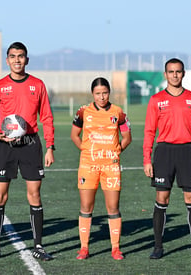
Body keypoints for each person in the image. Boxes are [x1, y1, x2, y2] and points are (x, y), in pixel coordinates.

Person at [0, 42, 55, 261]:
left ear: (27, 60)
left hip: (31, 144)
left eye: (21, 56)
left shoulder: (38, 84)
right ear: (7, 60)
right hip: (6, 145)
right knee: (0, 195)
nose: (17, 60)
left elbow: (47, 118)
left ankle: (39, 246)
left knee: (34, 194)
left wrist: (50, 146)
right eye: (13, 56)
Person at [143, 58, 191, 259]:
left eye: (178, 71)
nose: (174, 75)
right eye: (171, 71)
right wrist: (147, 158)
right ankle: (158, 247)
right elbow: (149, 131)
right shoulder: (156, 100)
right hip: (164, 152)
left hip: (186, 152)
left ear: (183, 73)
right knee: (161, 198)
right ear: (165, 74)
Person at [70, 77, 132, 260]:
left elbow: (127, 136)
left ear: (109, 92)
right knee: (86, 206)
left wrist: (118, 150)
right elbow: (74, 135)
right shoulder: (83, 111)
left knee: (113, 207)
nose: (102, 97)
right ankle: (84, 248)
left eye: (105, 93)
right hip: (88, 165)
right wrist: (86, 150)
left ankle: (115, 248)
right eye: (98, 93)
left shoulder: (118, 112)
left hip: (110, 166)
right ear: (92, 94)